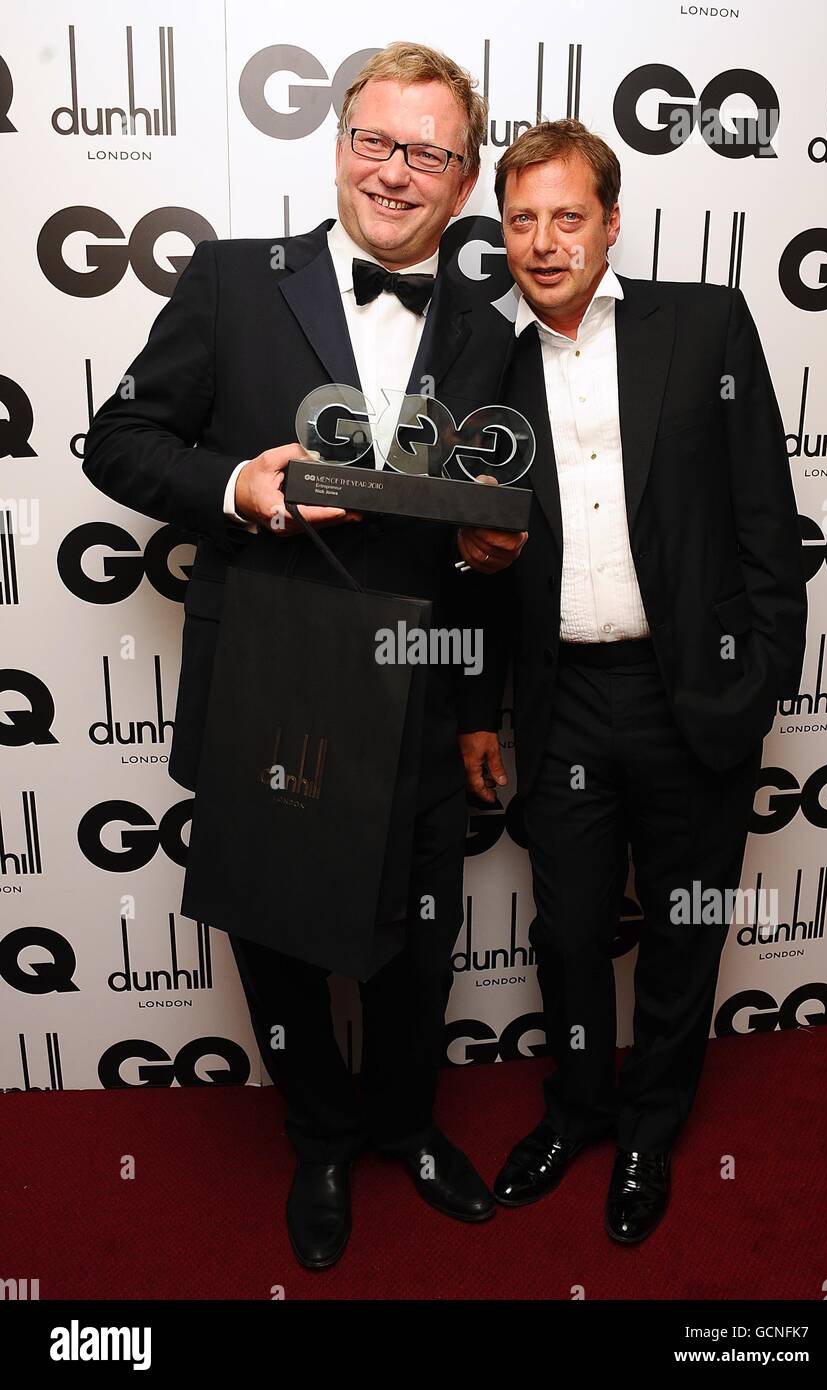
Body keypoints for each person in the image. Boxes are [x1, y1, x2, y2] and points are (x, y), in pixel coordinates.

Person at [82, 42, 525, 1270]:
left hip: (425, 685)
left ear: (465, 175)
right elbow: (117, 442)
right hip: (270, 676)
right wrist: (239, 484)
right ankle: (319, 1137)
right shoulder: (230, 282)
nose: (395, 172)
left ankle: (405, 1122)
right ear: (338, 144)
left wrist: (486, 638)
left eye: (428, 152)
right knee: (276, 932)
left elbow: (488, 534)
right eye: (375, 140)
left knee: (418, 927)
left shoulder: (491, 334)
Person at [458, 119, 806, 1243]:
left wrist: (758, 679)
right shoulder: (484, 362)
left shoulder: (702, 322)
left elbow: (765, 514)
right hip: (562, 701)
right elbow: (470, 559)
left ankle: (650, 1128)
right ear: (500, 233)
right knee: (564, 933)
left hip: (691, 693)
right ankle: (575, 1110)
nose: (544, 241)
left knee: (682, 927)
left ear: (612, 221)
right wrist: (478, 704)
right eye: (521, 220)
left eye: (568, 216)